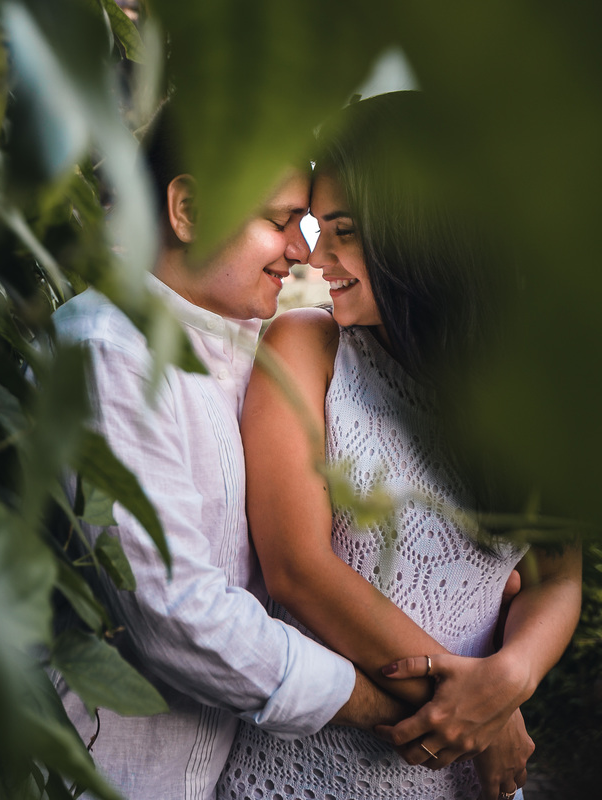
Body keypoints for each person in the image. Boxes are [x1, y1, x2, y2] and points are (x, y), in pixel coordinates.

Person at [217, 91, 583, 800]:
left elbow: (557, 577)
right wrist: (482, 718)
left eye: (345, 231)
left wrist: (510, 680)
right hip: (307, 775)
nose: (315, 255)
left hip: (465, 783)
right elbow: (297, 568)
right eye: (318, 228)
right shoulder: (308, 348)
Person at [52, 105, 424, 800]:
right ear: (188, 211)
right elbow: (175, 614)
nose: (301, 252)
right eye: (279, 221)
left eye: (305, 225)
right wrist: (392, 706)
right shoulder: (108, 354)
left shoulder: (255, 357)